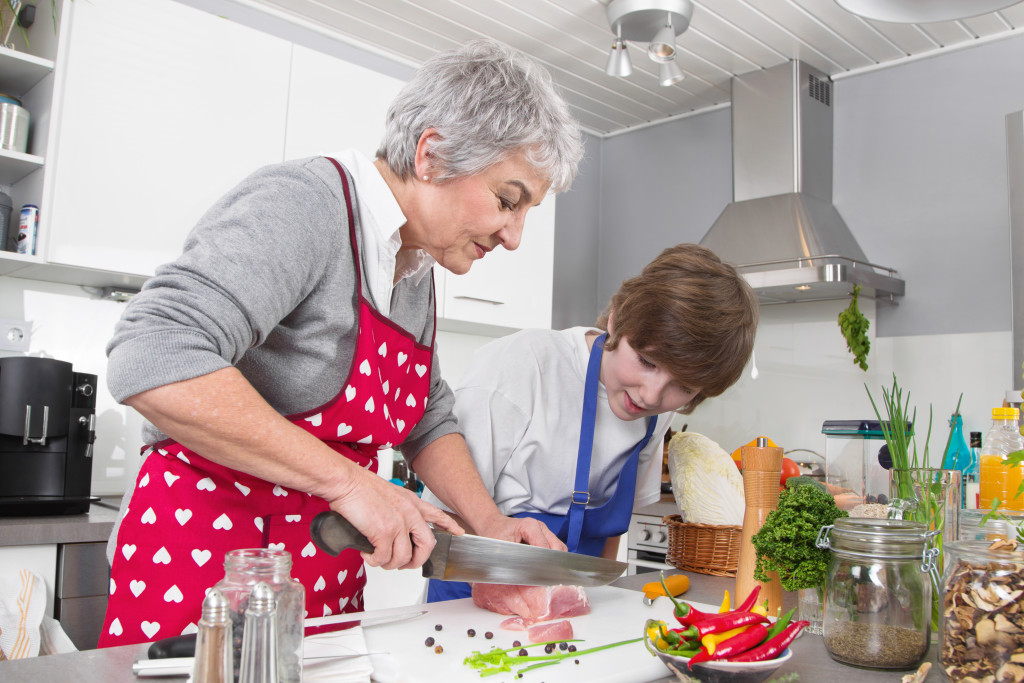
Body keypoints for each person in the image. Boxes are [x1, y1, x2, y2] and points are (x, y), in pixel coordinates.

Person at [98, 39, 582, 647]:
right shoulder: (304, 204)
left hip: (321, 574)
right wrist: (352, 484)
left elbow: (427, 417)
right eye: (508, 201)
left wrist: (488, 525)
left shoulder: (415, 267)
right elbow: (153, 354)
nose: (513, 236)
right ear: (432, 155)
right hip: (208, 567)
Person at [424, 243, 759, 602]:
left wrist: (587, 602)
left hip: (573, 602)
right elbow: (444, 512)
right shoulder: (524, 365)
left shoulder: (658, 414)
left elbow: (611, 529)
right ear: (617, 321)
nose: (651, 396)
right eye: (646, 361)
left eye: (683, 386)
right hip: (469, 600)